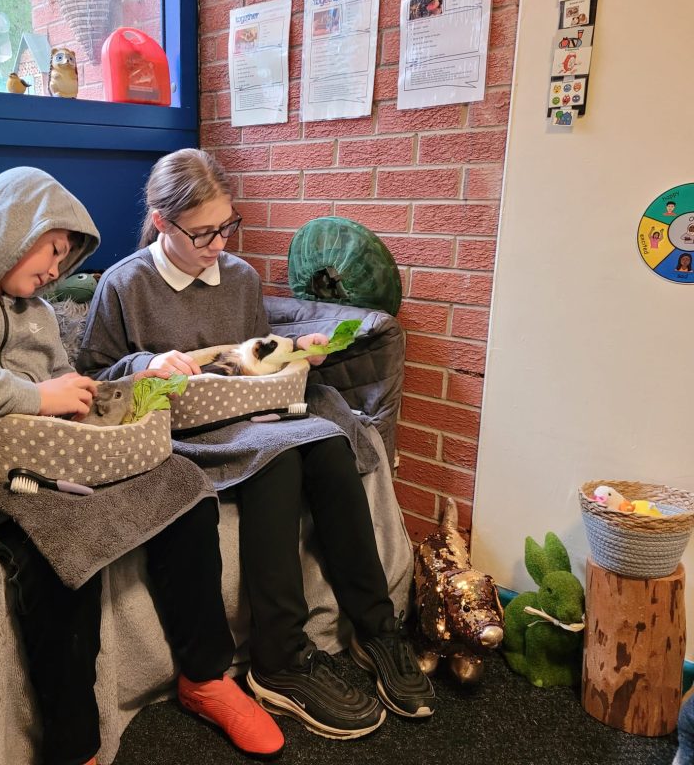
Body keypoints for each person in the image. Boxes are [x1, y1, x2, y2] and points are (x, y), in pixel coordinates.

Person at [0, 167, 283, 765]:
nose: (58, 270)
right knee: (59, 549)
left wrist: (129, 390)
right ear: (10, 227)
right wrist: (32, 397)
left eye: (65, 257)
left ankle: (207, 678)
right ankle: (75, 747)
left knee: (184, 488)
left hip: (61, 453)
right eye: (54, 249)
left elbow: (71, 388)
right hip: (0, 476)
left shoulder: (34, 308)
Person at [77, 148, 437, 741]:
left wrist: (298, 351)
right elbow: (95, 377)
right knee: (278, 459)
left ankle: (377, 630)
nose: (219, 244)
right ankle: (282, 658)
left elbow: (252, 358)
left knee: (329, 443)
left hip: (247, 411)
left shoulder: (239, 277)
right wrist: (145, 362)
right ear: (162, 223)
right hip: (186, 430)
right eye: (202, 233)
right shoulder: (124, 284)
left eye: (227, 226)